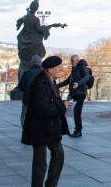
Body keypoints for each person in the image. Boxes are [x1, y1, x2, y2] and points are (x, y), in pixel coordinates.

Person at [21, 55, 71, 187]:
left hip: (49, 128)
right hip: (39, 128)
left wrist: (61, 104)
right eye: (58, 67)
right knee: (40, 162)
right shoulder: (40, 83)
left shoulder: (50, 81)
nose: (61, 69)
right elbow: (42, 109)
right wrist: (63, 106)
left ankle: (51, 184)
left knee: (58, 155)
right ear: (49, 69)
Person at [56, 55, 92, 138]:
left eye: (72, 61)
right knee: (65, 109)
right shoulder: (75, 69)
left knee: (77, 113)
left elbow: (86, 77)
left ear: (77, 60)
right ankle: (63, 128)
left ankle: (78, 131)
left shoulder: (82, 67)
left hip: (80, 94)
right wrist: (57, 86)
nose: (71, 63)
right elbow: (68, 80)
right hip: (74, 94)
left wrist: (78, 83)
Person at [18, 55, 42, 126]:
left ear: (32, 62)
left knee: (24, 114)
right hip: (39, 99)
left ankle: (25, 128)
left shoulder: (26, 73)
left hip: (27, 98)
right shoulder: (43, 73)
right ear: (40, 62)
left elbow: (21, 87)